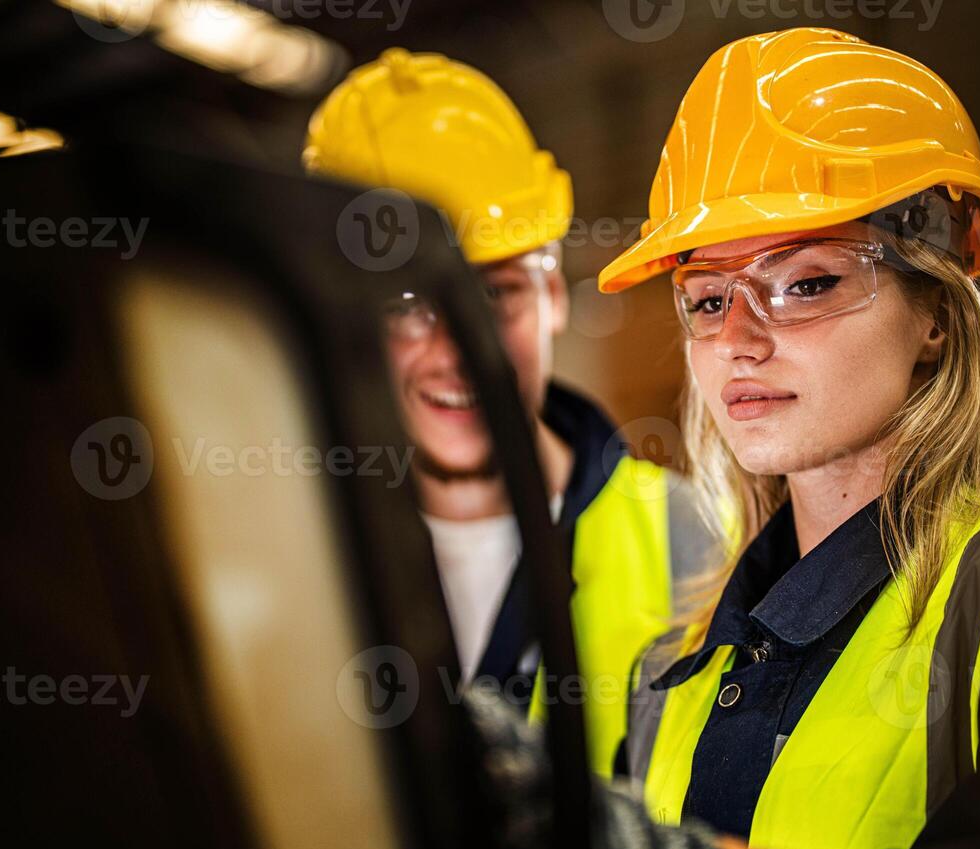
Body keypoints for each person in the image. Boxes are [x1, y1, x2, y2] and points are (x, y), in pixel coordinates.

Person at [466, 26, 980, 849]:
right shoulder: (680, 672)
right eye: (707, 299)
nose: (738, 339)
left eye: (807, 283)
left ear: (938, 319)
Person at [303, 48, 709, 779]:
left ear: (555, 295)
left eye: (495, 296)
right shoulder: (278, 551)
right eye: (403, 305)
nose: (454, 352)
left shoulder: (702, 546)